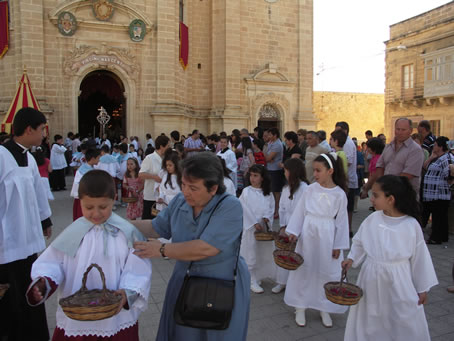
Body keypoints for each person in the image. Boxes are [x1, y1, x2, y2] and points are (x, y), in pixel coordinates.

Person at [132, 152, 250, 340]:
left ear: (213, 188)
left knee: (216, 333)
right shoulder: (180, 201)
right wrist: (121, 224)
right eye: (184, 185)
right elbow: (156, 228)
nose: (186, 191)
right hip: (185, 279)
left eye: (193, 188)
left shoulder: (230, 206)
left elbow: (207, 248)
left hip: (220, 283)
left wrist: (161, 250)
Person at [27, 170, 152, 340]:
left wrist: (128, 292)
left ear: (114, 198)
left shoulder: (126, 232)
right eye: (89, 207)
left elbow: (138, 267)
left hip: (115, 315)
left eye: (103, 207)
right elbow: (54, 262)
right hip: (77, 313)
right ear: (80, 203)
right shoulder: (73, 232)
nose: (96, 213)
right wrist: (44, 281)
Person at [342, 175, 438, 341]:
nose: (371, 199)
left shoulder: (410, 225)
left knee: (401, 316)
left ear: (391, 199)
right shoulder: (373, 219)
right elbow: (359, 241)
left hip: (398, 280)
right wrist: (352, 258)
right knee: (370, 317)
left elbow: (419, 257)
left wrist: (422, 287)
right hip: (371, 277)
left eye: (376, 195)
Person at [0, 107, 52, 341]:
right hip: (6, 243)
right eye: (41, 129)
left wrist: (45, 220)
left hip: (28, 241)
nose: (43, 135)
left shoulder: (30, 157)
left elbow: (37, 192)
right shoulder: (1, 156)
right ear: (29, 129)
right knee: (10, 299)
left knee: (30, 293)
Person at [284, 153, 349, 328]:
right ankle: (300, 306)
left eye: (319, 170)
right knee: (305, 268)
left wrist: (339, 245)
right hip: (309, 232)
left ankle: (324, 306)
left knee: (325, 270)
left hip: (328, 235)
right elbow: (300, 211)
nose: (315, 174)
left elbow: (342, 221)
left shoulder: (339, 194)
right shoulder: (310, 189)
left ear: (331, 171)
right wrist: (294, 231)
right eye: (314, 170)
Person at [361, 118, 425, 199]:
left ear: (411, 131)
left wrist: (387, 188)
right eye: (398, 129)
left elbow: (406, 176)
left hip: (405, 198)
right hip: (386, 197)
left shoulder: (415, 150)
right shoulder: (388, 147)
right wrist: (372, 187)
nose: (400, 132)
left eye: (403, 130)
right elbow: (380, 168)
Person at [239, 164, 277, 294]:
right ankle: (250, 278)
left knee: (261, 252)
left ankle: (258, 275)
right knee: (250, 252)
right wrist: (254, 223)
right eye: (251, 175)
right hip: (251, 228)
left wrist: (267, 218)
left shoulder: (268, 193)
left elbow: (271, 207)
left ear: (262, 178)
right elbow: (244, 208)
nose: (252, 178)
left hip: (263, 230)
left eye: (256, 176)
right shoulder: (246, 191)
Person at [274, 158, 309, 294]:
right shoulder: (286, 188)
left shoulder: (305, 189)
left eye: (286, 170)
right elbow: (282, 208)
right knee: (284, 254)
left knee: (296, 255)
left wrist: (296, 228)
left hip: (300, 227)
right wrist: (283, 226)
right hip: (287, 225)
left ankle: (296, 285)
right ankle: (282, 282)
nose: (284, 173)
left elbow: (304, 211)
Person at [421, 137, 453, 244]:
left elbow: (449, 173)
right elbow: (425, 167)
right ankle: (441, 237)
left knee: (439, 217)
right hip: (431, 194)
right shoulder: (437, 157)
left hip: (439, 193)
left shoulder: (447, 158)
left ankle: (437, 238)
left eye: (435, 145)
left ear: (440, 146)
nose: (433, 146)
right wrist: (431, 157)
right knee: (438, 216)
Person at [335, 122, 358, 237]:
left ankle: (348, 229)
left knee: (347, 207)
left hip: (347, 180)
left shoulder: (348, 143)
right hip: (344, 180)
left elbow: (347, 162)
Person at [139, 135, 170, 219]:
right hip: (151, 196)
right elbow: (141, 174)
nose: (169, 148)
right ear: (161, 146)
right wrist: (154, 177)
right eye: (167, 146)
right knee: (149, 221)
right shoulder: (150, 158)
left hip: (163, 196)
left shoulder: (166, 159)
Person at [70, 148, 101, 221]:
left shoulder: (87, 168)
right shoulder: (84, 171)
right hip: (84, 197)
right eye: (98, 158)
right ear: (93, 158)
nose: (99, 160)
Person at [264, 127, 285, 218]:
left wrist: (266, 156)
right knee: (271, 190)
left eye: (270, 135)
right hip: (270, 168)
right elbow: (267, 157)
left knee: (276, 191)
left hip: (275, 170)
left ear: (275, 135)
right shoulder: (271, 143)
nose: (268, 136)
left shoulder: (277, 145)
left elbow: (267, 158)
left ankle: (277, 210)